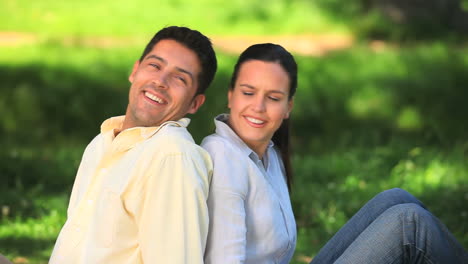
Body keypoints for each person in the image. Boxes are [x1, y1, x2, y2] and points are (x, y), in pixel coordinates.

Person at [202, 43, 468, 264]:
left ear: (288, 107)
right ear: (231, 96)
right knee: (409, 223)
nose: (258, 107)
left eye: (273, 98)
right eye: (248, 92)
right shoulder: (224, 159)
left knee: (396, 198)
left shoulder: (267, 153)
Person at [49, 26, 217, 264]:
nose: (160, 81)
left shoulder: (172, 156)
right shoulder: (103, 142)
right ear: (135, 70)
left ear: (195, 103)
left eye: (180, 78)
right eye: (155, 66)